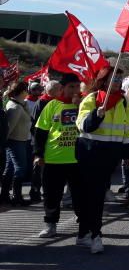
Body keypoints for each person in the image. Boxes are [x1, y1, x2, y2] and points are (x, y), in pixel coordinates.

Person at [75, 67, 129, 254]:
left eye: (119, 78)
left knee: (97, 195)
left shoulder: (124, 102)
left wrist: (127, 154)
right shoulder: (91, 99)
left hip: (110, 156)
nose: (117, 81)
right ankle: (90, 233)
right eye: (113, 78)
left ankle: (91, 234)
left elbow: (128, 129)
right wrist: (96, 115)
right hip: (88, 152)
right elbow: (83, 126)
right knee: (88, 196)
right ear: (104, 81)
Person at [34, 74, 82, 237]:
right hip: (53, 158)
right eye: (71, 87)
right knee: (51, 195)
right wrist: (38, 154)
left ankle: (84, 223)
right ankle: (51, 224)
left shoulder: (85, 105)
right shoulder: (52, 105)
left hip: (78, 159)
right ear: (62, 88)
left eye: (77, 86)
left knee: (80, 194)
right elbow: (40, 132)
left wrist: (80, 107)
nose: (75, 90)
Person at [2, 81, 34, 206]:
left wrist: (24, 104)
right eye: (26, 89)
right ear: (22, 91)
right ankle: (17, 197)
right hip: (15, 141)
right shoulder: (15, 107)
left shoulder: (19, 105)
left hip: (18, 140)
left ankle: (5, 195)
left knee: (10, 168)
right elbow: (9, 128)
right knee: (20, 168)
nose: (28, 92)